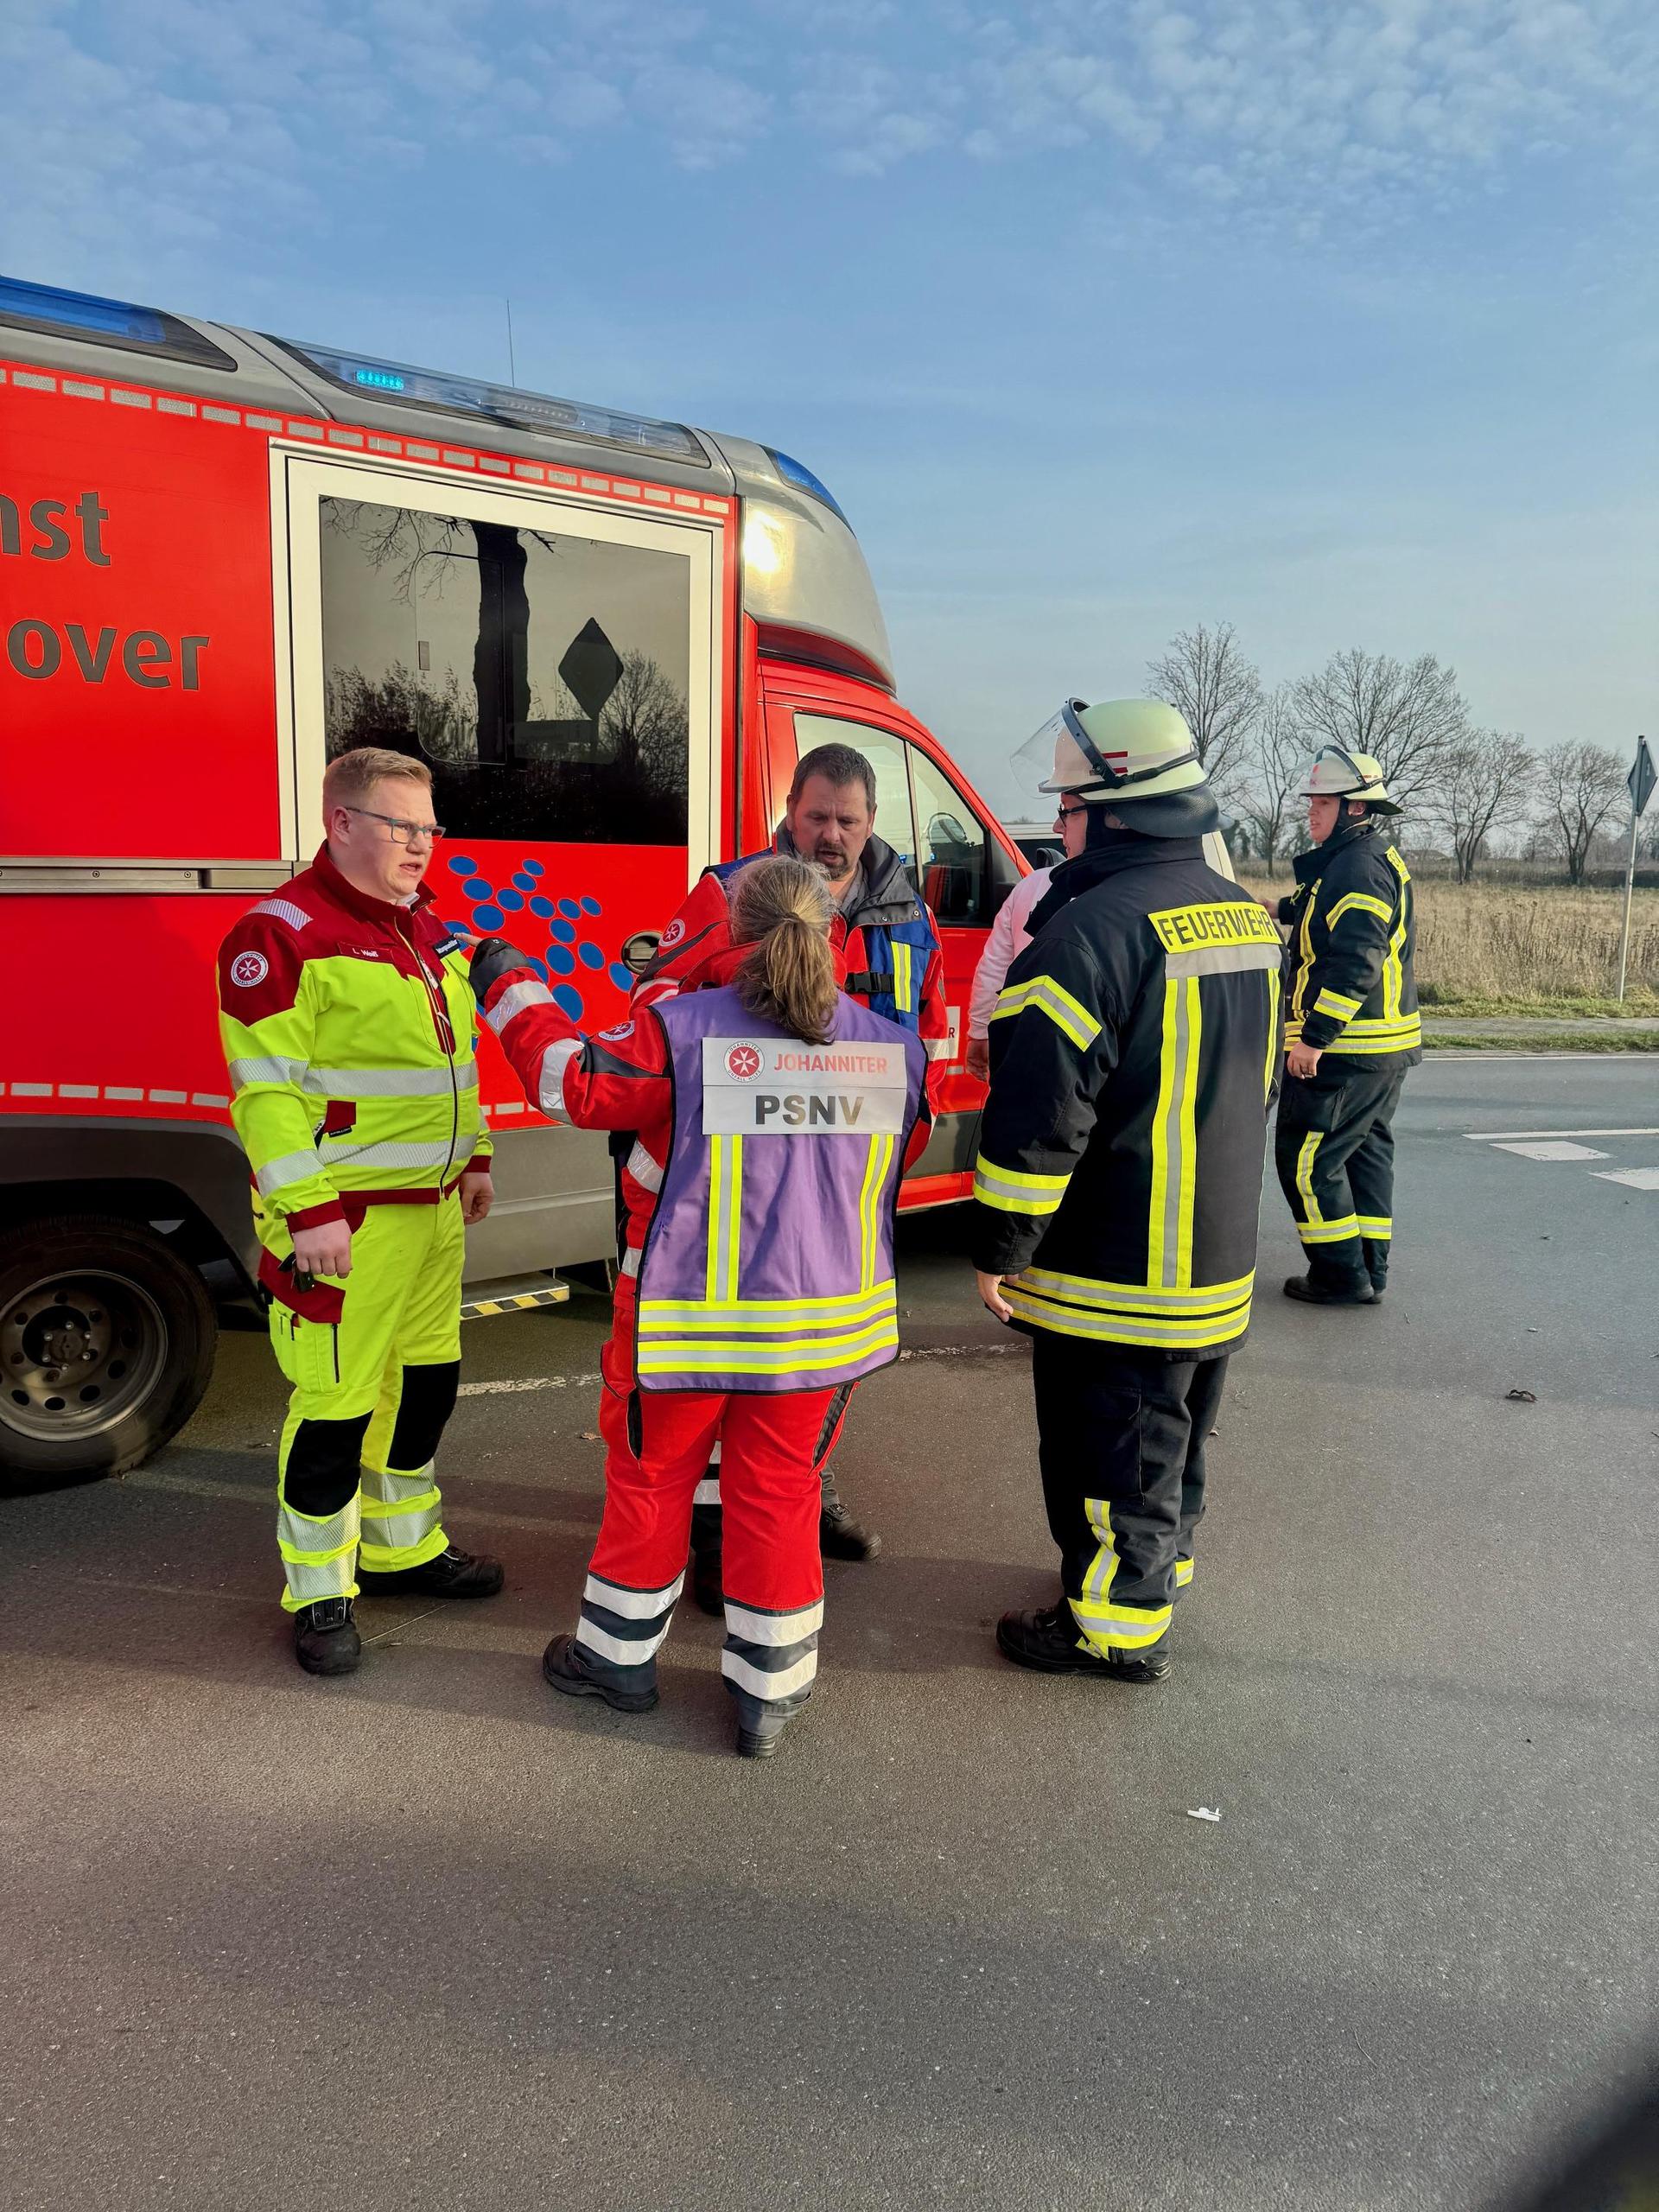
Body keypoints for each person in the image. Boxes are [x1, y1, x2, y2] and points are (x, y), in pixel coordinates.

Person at [470, 856, 929, 1758]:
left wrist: (506, 981)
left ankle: (615, 1662)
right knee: (781, 1496)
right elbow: (887, 1165)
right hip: (827, 1337)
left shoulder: (679, 1031)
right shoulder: (893, 1045)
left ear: (724, 932)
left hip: (683, 1328)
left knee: (652, 1486)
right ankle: (771, 1696)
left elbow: (569, 1078)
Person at [972, 699, 1281, 1684]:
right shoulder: (1243, 914)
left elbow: (1036, 1114)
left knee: (1109, 1452)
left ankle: (1113, 1628)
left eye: (1067, 806)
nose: (1058, 824)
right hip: (1215, 1254)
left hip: (1118, 1268)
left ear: (1114, 812)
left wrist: (1000, 1248)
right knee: (1171, 1443)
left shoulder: (1089, 932)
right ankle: (1157, 1567)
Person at [628, 739, 950, 1596]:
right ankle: (711, 1541)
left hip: (842, 1186)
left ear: (872, 822)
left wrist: (902, 1146)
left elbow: (928, 1034)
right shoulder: (731, 891)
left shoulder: (905, 913)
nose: (831, 835)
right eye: (816, 817)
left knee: (817, 1365)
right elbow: (659, 1003)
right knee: (722, 1369)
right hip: (735, 1187)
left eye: (847, 820)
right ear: (788, 813)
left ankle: (806, 1496)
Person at [217, 747, 503, 1677]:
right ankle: (320, 1590)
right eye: (400, 826)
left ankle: (402, 1547)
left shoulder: (422, 929)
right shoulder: (281, 934)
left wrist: (478, 1154)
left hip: (432, 1215)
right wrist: (306, 1211)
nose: (421, 845)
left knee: (423, 1391)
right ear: (341, 822)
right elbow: (266, 1095)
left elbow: (450, 1062)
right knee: (334, 1409)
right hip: (343, 1227)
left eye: (429, 827)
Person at [1265, 747, 1420, 1306]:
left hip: (1345, 1054)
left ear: (1355, 808)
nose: (1311, 813)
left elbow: (1358, 958)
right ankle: (1369, 1271)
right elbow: (1323, 913)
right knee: (1363, 1156)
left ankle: (1339, 1275)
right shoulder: (1358, 858)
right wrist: (1273, 909)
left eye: (1322, 803)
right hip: (1379, 1053)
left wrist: (1313, 1040)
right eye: (1311, 803)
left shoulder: (1356, 865)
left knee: (1306, 1162)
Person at [964, 860, 1053, 1082]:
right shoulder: (1135, 890)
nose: (1057, 828)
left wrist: (981, 1032)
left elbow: (995, 968)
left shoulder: (1034, 885)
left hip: (1024, 1055)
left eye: (1067, 821)